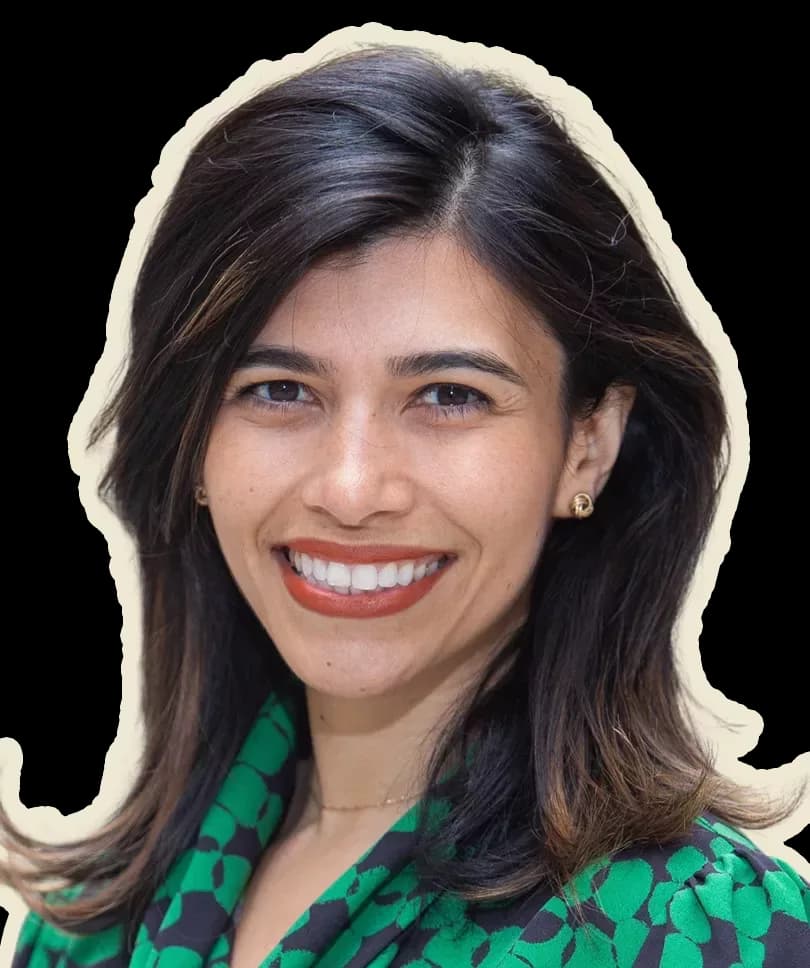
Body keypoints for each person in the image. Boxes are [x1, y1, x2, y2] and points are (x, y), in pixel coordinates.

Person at [2, 37, 808, 968]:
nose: (351, 490)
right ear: (190, 442)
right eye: (278, 390)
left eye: (449, 396)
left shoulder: (702, 932)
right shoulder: (85, 932)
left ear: (586, 446)